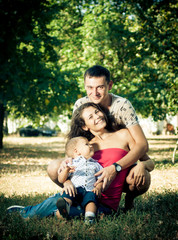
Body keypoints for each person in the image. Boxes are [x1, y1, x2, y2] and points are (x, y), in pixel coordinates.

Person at [7, 103, 154, 220]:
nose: (97, 116)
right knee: (62, 201)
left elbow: (150, 163)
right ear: (85, 126)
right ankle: (26, 212)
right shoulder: (85, 146)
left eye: (97, 112)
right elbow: (71, 167)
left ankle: (40, 213)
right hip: (83, 193)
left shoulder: (123, 135)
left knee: (89, 211)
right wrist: (67, 182)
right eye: (90, 117)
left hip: (106, 201)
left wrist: (141, 165)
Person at [47, 65, 150, 209]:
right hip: (93, 160)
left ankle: (129, 201)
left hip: (120, 159)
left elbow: (142, 145)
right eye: (89, 87)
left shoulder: (122, 106)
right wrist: (67, 180)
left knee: (140, 178)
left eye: (100, 87)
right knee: (53, 167)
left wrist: (117, 167)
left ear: (110, 85)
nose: (94, 93)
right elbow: (74, 143)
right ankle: (78, 195)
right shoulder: (81, 105)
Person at [57, 136, 103, 224]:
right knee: (67, 194)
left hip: (90, 190)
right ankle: (63, 210)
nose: (90, 146)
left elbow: (100, 178)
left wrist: (98, 187)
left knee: (91, 199)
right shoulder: (71, 163)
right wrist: (66, 171)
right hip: (75, 189)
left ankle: (90, 217)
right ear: (76, 151)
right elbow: (61, 179)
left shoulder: (96, 164)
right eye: (87, 144)